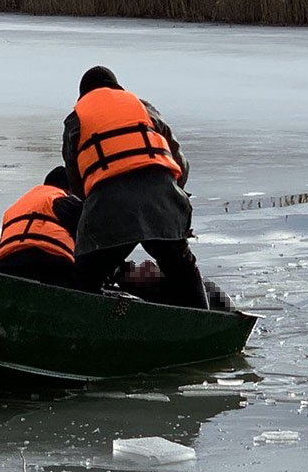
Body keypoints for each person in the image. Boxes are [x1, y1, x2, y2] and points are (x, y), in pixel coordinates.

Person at [61, 65, 209, 309]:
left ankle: (83, 325)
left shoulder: (77, 118)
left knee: (85, 279)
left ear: (83, 94)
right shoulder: (143, 107)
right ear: (117, 87)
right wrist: (172, 191)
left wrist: (90, 207)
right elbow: (179, 161)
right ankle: (206, 326)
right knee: (183, 270)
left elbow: (75, 178)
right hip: (162, 202)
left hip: (110, 207)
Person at [0, 166, 83, 287]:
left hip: (8, 263)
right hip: (51, 262)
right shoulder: (62, 200)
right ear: (69, 188)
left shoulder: (15, 207)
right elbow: (91, 236)